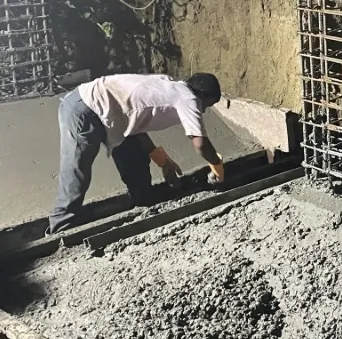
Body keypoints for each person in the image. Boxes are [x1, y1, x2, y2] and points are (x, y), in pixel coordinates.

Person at [49, 72, 225, 234]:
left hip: (111, 116)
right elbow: (200, 143)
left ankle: (143, 203)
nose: (203, 110)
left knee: (135, 158)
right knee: (77, 171)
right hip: (86, 108)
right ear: (201, 95)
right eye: (207, 105)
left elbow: (135, 121)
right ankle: (59, 228)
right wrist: (217, 166)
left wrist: (162, 161)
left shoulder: (168, 84)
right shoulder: (189, 98)